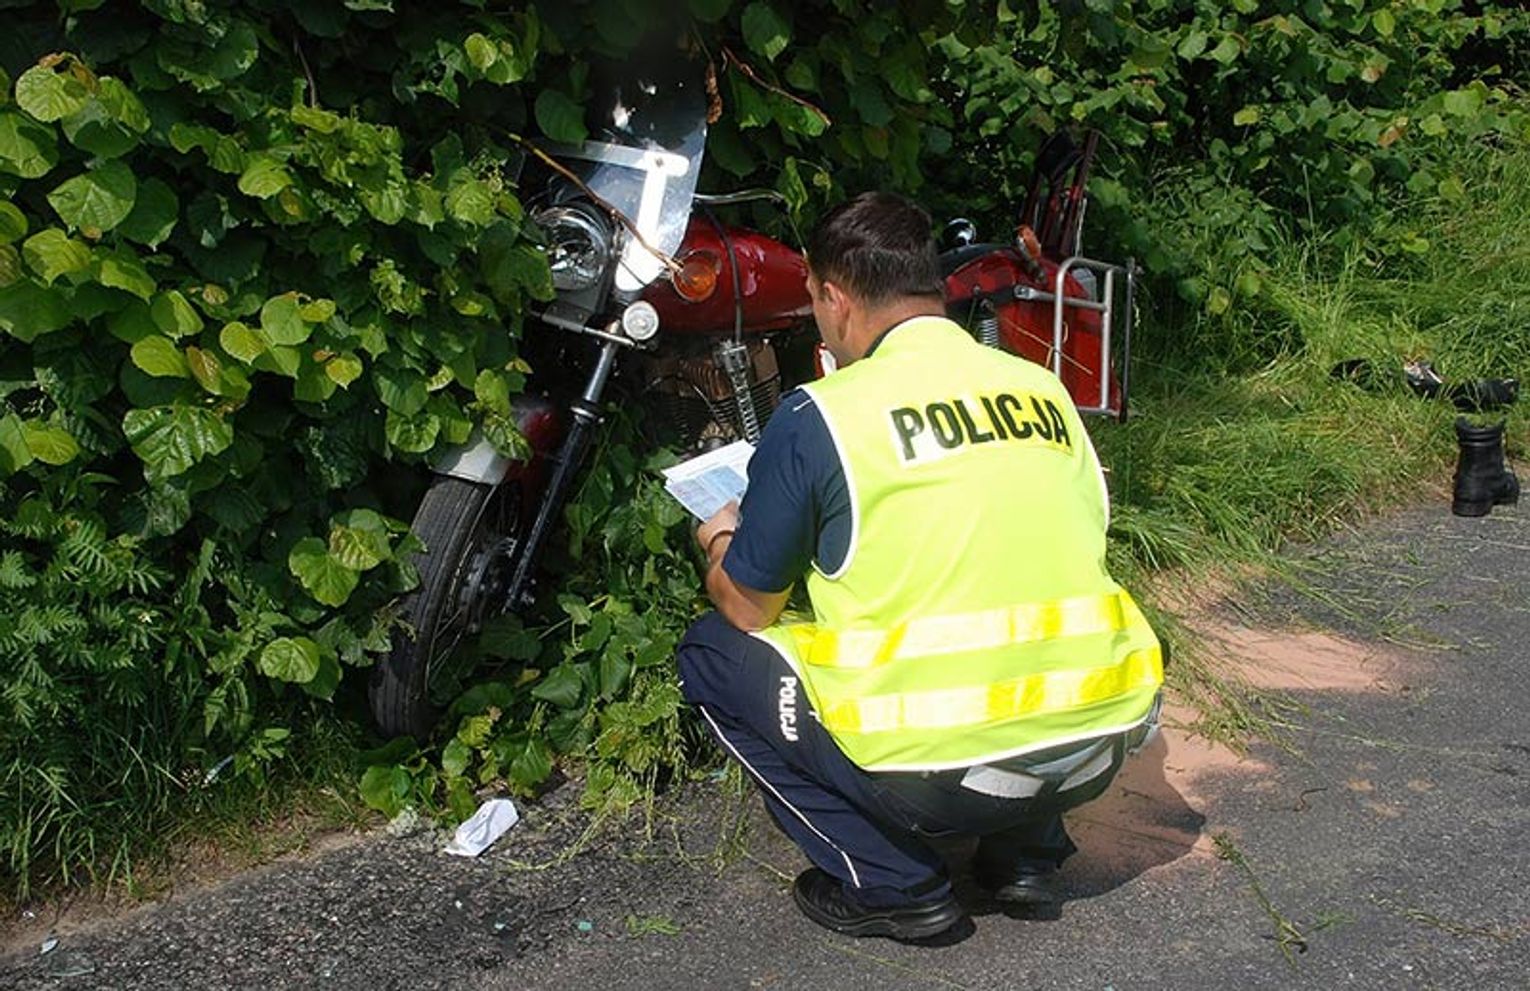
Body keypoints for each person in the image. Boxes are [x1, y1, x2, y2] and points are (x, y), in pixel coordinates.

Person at [676, 191, 1164, 942]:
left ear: (836, 300)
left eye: (814, 306)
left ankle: (893, 881)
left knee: (711, 651)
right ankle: (1026, 853)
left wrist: (719, 539)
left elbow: (748, 606)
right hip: (1093, 744)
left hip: (935, 773)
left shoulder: (823, 414)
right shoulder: (1043, 389)